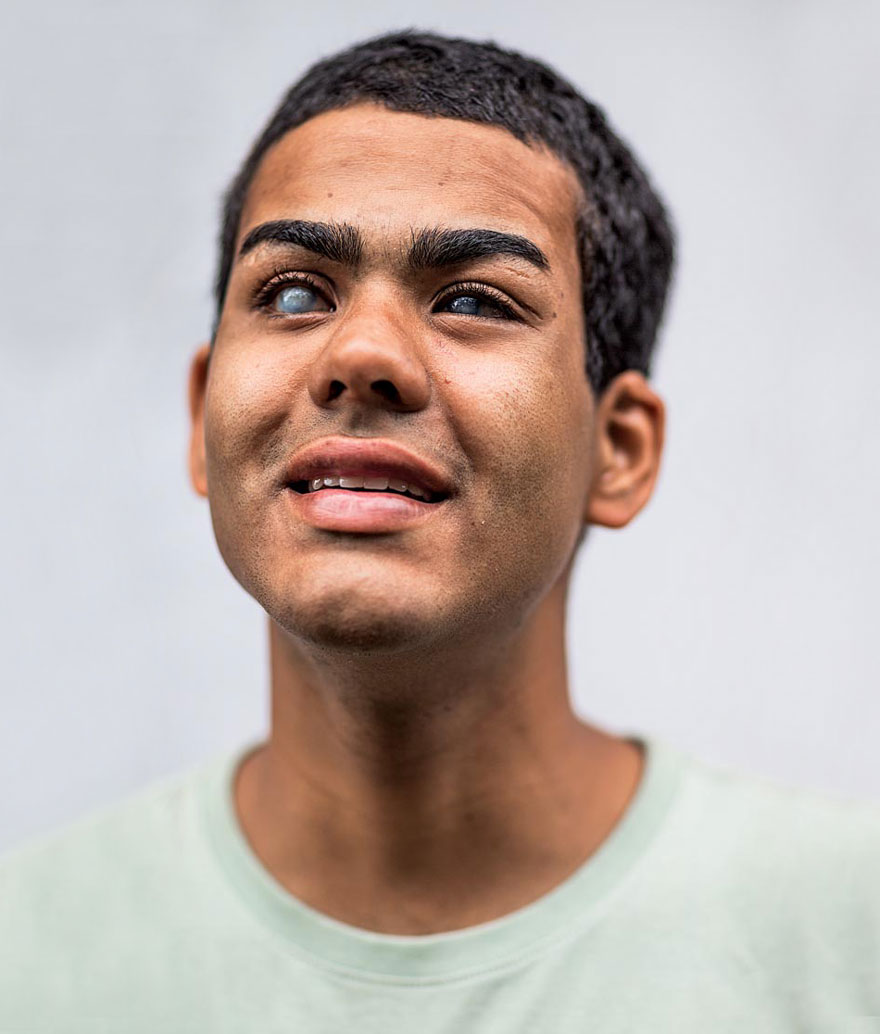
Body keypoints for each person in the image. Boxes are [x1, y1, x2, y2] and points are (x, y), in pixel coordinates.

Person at [1, 28, 878, 1032]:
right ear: (204, 417)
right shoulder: (23, 956)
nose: (362, 352)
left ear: (619, 446)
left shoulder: (850, 937)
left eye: (472, 299)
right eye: (294, 292)